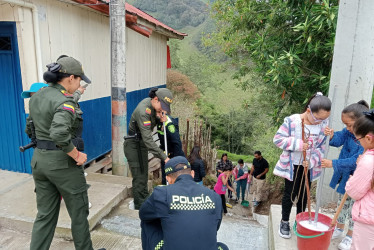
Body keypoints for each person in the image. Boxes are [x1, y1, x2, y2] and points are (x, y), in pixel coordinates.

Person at [27, 56, 104, 250]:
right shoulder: (65, 101)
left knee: (44, 215)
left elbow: (30, 130)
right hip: (63, 165)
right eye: (79, 79)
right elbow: (59, 133)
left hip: (39, 162)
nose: (79, 84)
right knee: (78, 214)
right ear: (70, 78)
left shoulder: (37, 96)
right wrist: (76, 155)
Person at [273, 92, 331, 239]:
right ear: (308, 110)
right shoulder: (292, 121)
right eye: (318, 118)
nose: (321, 122)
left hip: (308, 166)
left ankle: (300, 221)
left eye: (324, 119)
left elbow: (323, 148)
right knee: (290, 194)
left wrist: (311, 161)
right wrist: (299, 145)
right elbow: (278, 139)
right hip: (292, 165)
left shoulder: (323, 126)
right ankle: (284, 221)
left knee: (305, 195)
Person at [139, 156, 228, 250]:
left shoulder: (162, 194)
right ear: (192, 174)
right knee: (223, 247)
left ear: (168, 179)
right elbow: (215, 227)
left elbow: (143, 214)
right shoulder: (215, 196)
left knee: (147, 222)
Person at [321, 100, 369, 250]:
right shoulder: (348, 133)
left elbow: (356, 161)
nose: (347, 128)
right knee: (342, 204)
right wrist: (331, 136)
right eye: (345, 125)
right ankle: (339, 228)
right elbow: (338, 139)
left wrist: (333, 163)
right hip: (345, 179)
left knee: (355, 209)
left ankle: (350, 235)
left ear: (361, 122)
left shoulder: (366, 140)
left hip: (358, 181)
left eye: (349, 125)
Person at [124, 87, 173, 210]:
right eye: (163, 106)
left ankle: (144, 200)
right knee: (139, 176)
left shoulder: (152, 106)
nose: (163, 110)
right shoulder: (143, 111)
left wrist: (160, 119)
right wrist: (164, 157)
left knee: (144, 175)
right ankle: (140, 206)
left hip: (141, 145)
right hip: (133, 145)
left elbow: (153, 123)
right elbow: (148, 139)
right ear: (156, 99)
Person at [345, 109, 374, 250]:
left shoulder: (368, 160)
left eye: (359, 139)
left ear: (368, 138)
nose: (359, 143)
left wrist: (352, 180)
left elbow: (354, 191)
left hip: (369, 218)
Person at [157, 114, 185, 185]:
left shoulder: (169, 123)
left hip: (173, 155)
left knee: (175, 178)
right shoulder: (159, 122)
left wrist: (176, 160)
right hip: (165, 154)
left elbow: (177, 143)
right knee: (165, 178)